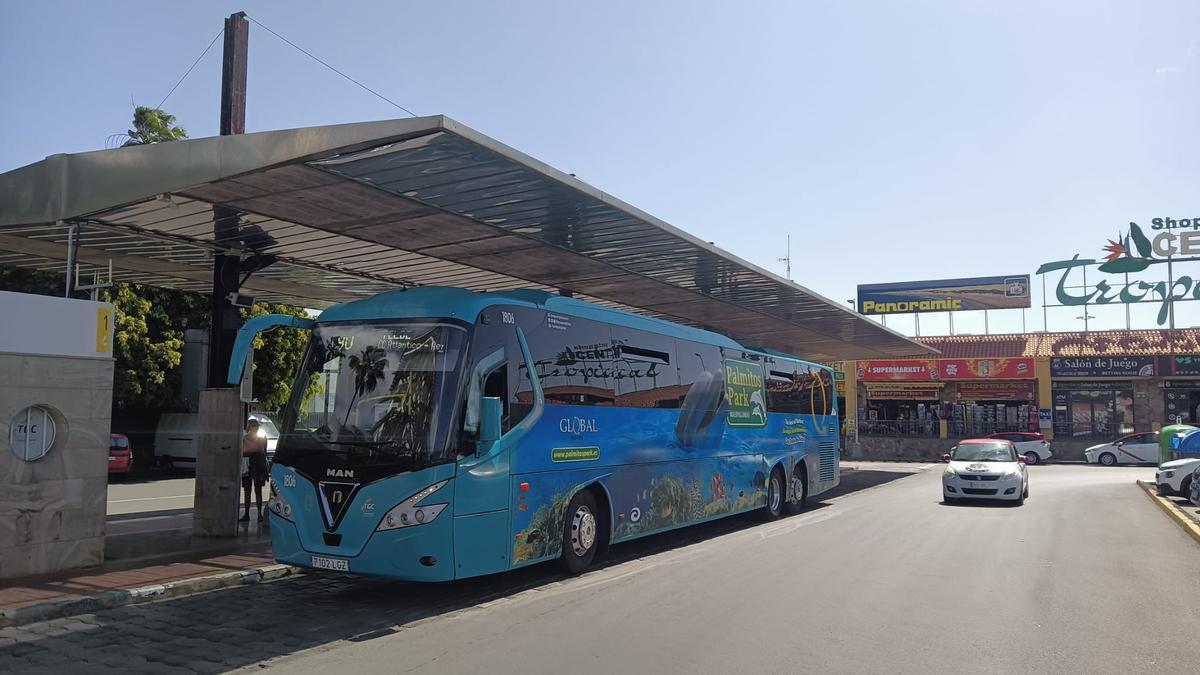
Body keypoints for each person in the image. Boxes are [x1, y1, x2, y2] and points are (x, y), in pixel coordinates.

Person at [241, 419, 269, 523]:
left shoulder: (263, 439)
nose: (255, 428)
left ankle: (259, 514)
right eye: (253, 426)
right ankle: (247, 514)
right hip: (247, 464)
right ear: (249, 427)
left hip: (258, 465)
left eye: (256, 426)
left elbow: (264, 452)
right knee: (247, 490)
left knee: (258, 490)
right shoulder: (244, 439)